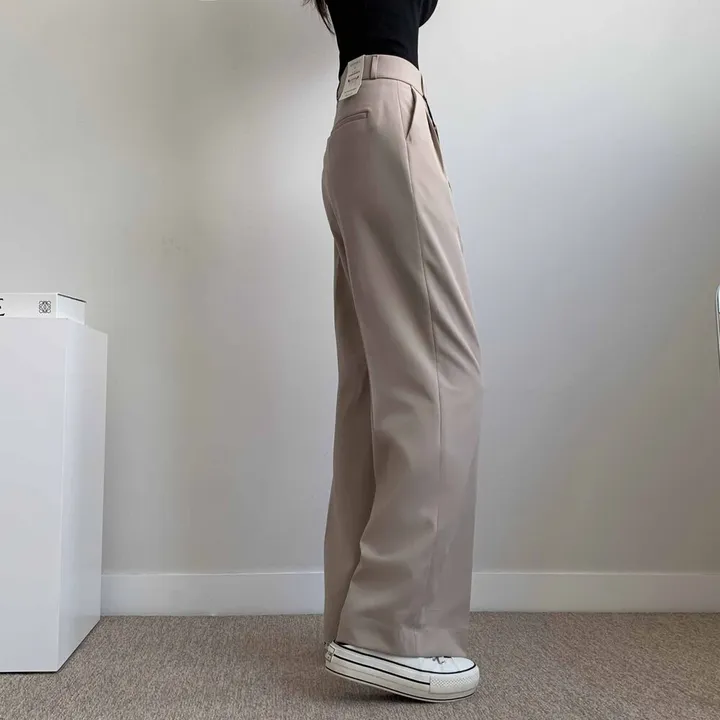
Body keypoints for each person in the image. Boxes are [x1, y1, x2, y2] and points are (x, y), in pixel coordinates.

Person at [307, 0, 483, 703]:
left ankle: (358, 619)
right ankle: (397, 631)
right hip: (387, 109)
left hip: (355, 120)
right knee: (442, 373)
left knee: (377, 384)